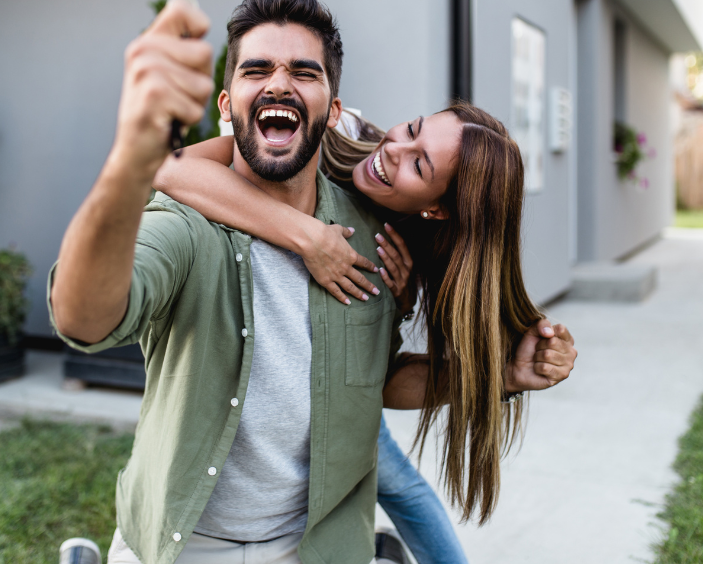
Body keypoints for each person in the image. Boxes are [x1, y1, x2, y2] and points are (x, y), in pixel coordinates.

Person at [153, 94, 576, 561]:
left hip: (335, 386)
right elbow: (170, 170)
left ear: (436, 210)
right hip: (266, 385)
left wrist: (504, 373)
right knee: (396, 484)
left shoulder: (412, 248)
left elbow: (380, 381)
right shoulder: (335, 131)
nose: (394, 148)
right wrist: (310, 237)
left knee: (400, 487)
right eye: (412, 128)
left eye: (420, 165)